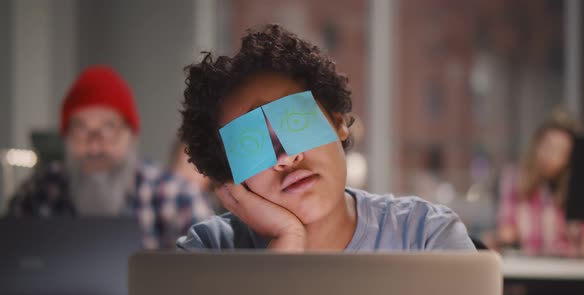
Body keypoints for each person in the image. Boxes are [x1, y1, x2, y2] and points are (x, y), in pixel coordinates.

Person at [174, 24, 476, 253]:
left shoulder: (426, 236)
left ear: (338, 123)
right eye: (250, 145)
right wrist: (287, 239)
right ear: (231, 177)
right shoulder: (207, 251)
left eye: (296, 122)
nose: (286, 157)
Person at [8, 65, 214, 249]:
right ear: (66, 137)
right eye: (81, 128)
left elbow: (209, 280)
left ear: (131, 135)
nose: (95, 143)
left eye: (108, 128)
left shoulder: (177, 197)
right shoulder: (36, 194)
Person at [496, 111, 584, 257]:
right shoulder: (515, 178)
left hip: (568, 268)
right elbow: (507, 230)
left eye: (560, 150)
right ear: (537, 145)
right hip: (529, 267)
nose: (550, 155)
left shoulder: (579, 187)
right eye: (547, 146)